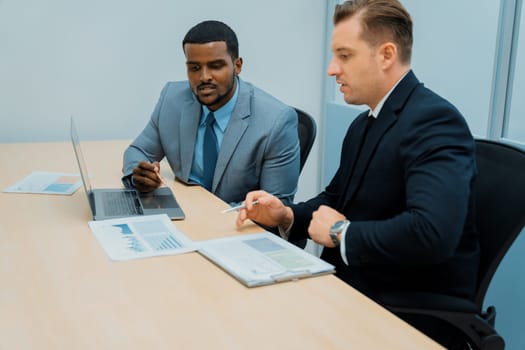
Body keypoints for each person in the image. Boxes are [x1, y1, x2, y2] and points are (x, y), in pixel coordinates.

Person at [236, 0, 479, 347]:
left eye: (345, 56)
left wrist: (339, 232)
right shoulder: (365, 123)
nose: (332, 69)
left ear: (385, 55)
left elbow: (432, 232)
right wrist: (287, 214)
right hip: (352, 291)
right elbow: (337, 199)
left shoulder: (435, 121)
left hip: (406, 311)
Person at [122, 20, 300, 205]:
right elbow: (138, 151)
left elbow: (276, 205)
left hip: (237, 225)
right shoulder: (172, 98)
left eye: (216, 66)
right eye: (194, 68)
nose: (204, 77)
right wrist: (141, 176)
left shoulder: (276, 121)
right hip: (185, 212)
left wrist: (207, 217)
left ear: (237, 66)